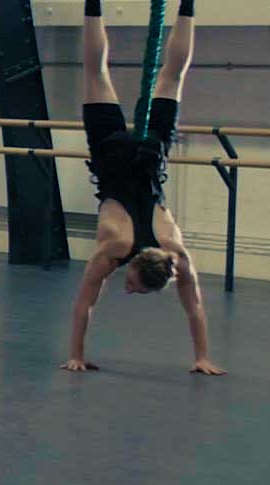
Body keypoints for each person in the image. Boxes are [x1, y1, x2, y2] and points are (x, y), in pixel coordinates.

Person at [66, 0, 225, 376]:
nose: (128, 290)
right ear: (135, 265)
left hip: (152, 156)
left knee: (173, 77)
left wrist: (202, 355)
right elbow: (84, 304)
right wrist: (76, 354)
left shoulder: (177, 254)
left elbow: (195, 307)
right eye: (135, 286)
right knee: (95, 73)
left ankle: (187, 5)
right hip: (111, 156)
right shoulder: (113, 249)